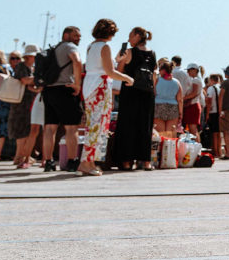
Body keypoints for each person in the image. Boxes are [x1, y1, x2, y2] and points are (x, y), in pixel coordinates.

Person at [77, 19, 134, 177]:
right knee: (97, 126)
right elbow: (110, 72)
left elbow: (100, 66)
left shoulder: (91, 46)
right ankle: (86, 163)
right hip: (100, 86)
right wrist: (127, 78)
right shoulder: (105, 46)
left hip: (91, 86)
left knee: (93, 124)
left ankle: (88, 162)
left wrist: (116, 60)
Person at [112, 27, 157, 170]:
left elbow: (118, 72)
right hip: (147, 93)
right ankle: (146, 161)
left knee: (128, 125)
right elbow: (154, 75)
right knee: (145, 126)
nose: (128, 39)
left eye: (130, 35)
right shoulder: (152, 53)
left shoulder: (129, 52)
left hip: (130, 91)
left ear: (137, 36)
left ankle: (126, 161)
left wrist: (119, 59)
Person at [42, 27, 84, 173]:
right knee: (71, 127)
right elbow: (77, 61)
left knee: (50, 128)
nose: (79, 38)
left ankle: (48, 162)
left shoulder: (53, 49)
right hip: (65, 89)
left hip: (48, 90)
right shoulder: (70, 46)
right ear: (66, 35)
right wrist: (77, 83)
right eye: (76, 35)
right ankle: (72, 161)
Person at [8, 45, 40, 168]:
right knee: (21, 129)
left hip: (29, 101)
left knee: (28, 129)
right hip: (21, 102)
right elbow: (24, 81)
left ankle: (23, 154)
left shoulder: (31, 68)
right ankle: (19, 155)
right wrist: (39, 78)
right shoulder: (21, 66)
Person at [154, 60, 183, 137]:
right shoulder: (177, 82)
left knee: (160, 134)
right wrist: (180, 113)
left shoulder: (156, 80)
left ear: (163, 70)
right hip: (173, 109)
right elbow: (180, 100)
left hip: (158, 107)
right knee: (170, 135)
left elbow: (153, 94)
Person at [182, 63, 203, 137]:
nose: (188, 72)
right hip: (194, 105)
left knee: (192, 130)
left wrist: (183, 98)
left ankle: (196, 144)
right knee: (194, 130)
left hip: (193, 106)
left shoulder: (195, 80)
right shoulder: (198, 79)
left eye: (189, 70)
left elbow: (194, 93)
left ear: (195, 70)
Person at [205, 73, 223, 156]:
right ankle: (219, 151)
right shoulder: (221, 88)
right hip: (221, 113)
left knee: (214, 133)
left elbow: (209, 101)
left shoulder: (211, 88)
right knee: (219, 133)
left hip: (213, 112)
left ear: (211, 80)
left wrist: (207, 114)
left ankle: (215, 152)